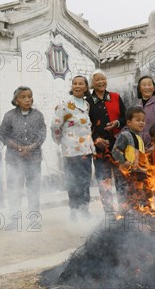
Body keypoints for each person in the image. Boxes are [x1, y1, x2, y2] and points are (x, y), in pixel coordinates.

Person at [51, 75, 95, 220]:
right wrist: (62, 142)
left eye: (80, 84)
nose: (77, 86)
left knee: (85, 181)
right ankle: (75, 210)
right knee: (73, 181)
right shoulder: (65, 104)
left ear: (86, 87)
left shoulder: (86, 105)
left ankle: (84, 209)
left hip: (86, 150)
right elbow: (55, 125)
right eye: (74, 83)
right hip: (70, 151)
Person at [0, 86, 46, 218]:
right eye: (23, 97)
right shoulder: (9, 116)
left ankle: (33, 218)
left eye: (29, 96)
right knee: (14, 189)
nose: (27, 99)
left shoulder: (38, 115)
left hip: (34, 159)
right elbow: (3, 135)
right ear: (16, 100)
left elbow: (42, 135)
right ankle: (14, 219)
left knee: (33, 189)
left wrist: (30, 148)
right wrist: (19, 148)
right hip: (14, 159)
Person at [86, 69, 126, 212]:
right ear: (92, 83)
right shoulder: (88, 102)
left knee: (122, 179)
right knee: (104, 181)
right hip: (99, 148)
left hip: (118, 145)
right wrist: (96, 138)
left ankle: (124, 210)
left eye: (103, 79)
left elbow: (125, 118)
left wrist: (117, 123)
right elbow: (86, 124)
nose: (101, 82)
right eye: (97, 79)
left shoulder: (115, 97)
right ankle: (109, 212)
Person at [111, 107, 148, 206]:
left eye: (143, 120)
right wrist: (123, 162)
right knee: (126, 199)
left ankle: (140, 217)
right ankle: (125, 218)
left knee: (139, 197)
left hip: (138, 173)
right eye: (138, 120)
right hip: (125, 174)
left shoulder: (140, 138)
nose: (141, 123)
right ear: (128, 122)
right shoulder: (125, 135)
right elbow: (115, 150)